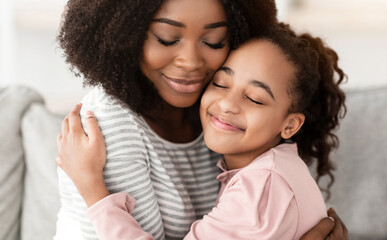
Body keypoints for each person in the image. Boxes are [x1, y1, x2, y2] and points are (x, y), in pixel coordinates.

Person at [55, 0, 348, 239]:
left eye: (214, 41)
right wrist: (92, 187)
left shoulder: (231, 141)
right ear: (125, 34)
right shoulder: (107, 123)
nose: (191, 62)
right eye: (167, 38)